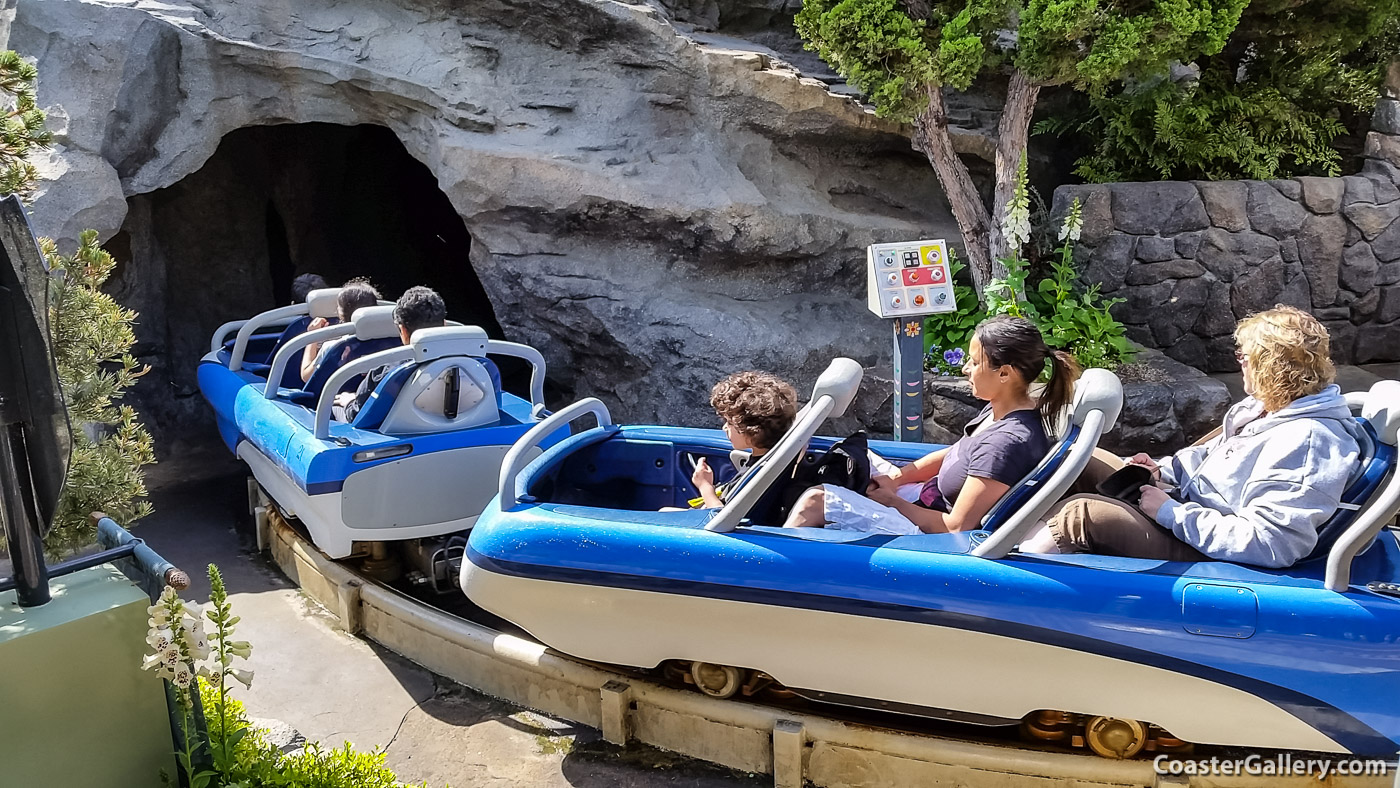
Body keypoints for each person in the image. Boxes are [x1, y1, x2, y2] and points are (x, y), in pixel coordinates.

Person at [1020, 305, 1363, 569]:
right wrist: (1162, 471)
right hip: (1193, 512)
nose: (1239, 362)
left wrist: (1169, 512)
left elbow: (1271, 543)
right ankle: (990, 536)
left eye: (1244, 357)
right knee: (1082, 460)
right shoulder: (1266, 408)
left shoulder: (1307, 441)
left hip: (1215, 554)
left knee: (1082, 515)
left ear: (1269, 368)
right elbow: (1205, 460)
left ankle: (1007, 584)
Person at [783, 316, 1079, 534]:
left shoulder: (1005, 444)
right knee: (851, 457)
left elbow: (956, 527)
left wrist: (891, 501)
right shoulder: (1001, 409)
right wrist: (897, 479)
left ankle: (771, 584)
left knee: (815, 501)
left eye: (975, 363)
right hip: (924, 498)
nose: (965, 369)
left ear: (1004, 374)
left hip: (930, 535)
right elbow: (956, 454)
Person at [335, 286, 447, 422]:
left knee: (334, 407)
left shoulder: (385, 372)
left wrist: (348, 402)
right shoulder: (474, 363)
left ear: (403, 330)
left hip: (398, 432)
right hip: (456, 431)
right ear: (444, 324)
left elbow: (355, 414)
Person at [687, 371, 798, 508]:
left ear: (753, 432)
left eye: (729, 423)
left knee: (664, 511)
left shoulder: (759, 475)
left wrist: (705, 485)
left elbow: (721, 519)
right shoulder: (774, 459)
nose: (724, 428)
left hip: (714, 522)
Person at [300, 278, 380, 383]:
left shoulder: (333, 347)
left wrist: (312, 337)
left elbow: (306, 376)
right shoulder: (391, 342)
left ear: (340, 313)